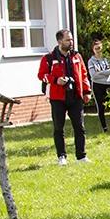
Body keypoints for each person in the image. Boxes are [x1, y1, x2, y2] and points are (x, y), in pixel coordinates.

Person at [38, 28, 92, 164]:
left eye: (72, 39)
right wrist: (56, 80)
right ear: (60, 41)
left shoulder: (77, 57)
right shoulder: (49, 58)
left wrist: (86, 92)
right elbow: (41, 75)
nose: (71, 42)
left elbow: (83, 74)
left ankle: (81, 156)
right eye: (68, 40)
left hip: (75, 97)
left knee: (79, 127)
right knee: (58, 128)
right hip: (57, 99)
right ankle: (61, 156)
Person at [88, 39, 110, 133]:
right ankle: (104, 128)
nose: (98, 50)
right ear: (93, 49)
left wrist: (100, 72)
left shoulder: (108, 58)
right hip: (97, 85)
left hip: (108, 84)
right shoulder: (91, 61)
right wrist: (106, 72)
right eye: (96, 49)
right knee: (100, 107)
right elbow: (93, 75)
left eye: (99, 48)